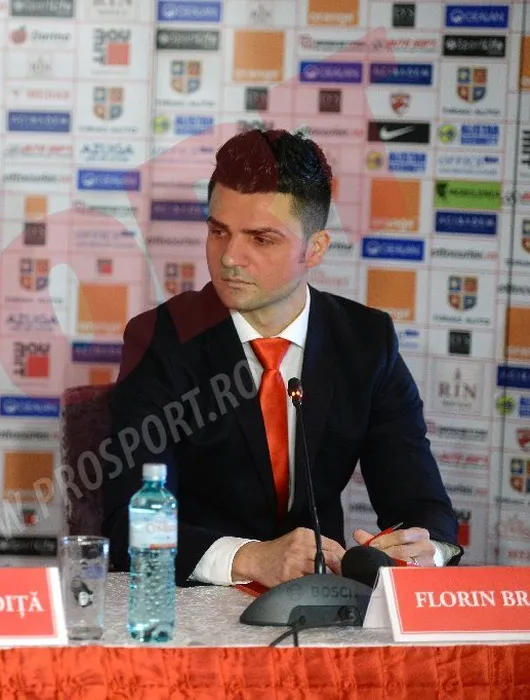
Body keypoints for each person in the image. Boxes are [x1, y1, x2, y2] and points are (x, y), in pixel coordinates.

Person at [101, 129, 461, 588]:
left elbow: (422, 505)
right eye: (218, 231)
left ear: (315, 249)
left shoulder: (367, 341)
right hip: (195, 599)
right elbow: (129, 522)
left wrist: (425, 550)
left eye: (261, 239)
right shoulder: (159, 340)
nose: (230, 258)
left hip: (321, 602)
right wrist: (251, 558)